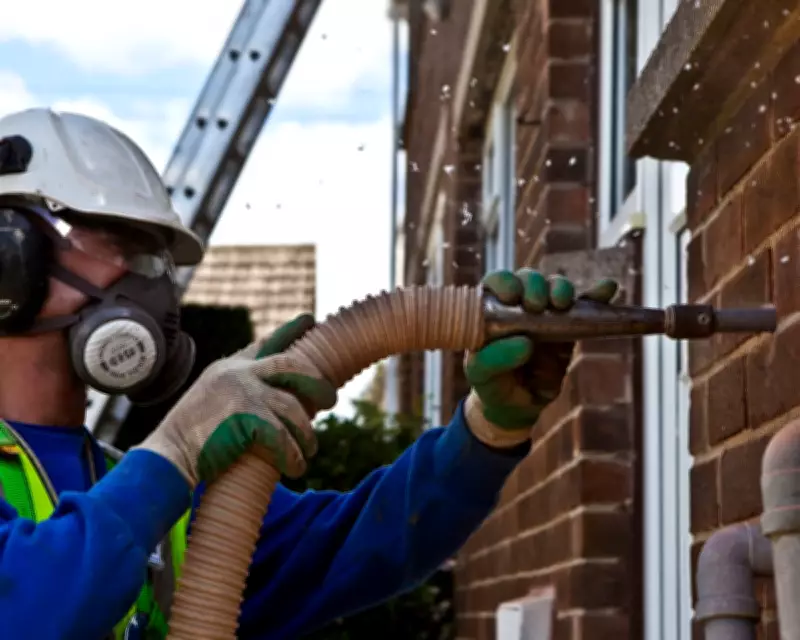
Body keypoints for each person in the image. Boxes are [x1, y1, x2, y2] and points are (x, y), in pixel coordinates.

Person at [0, 108, 619, 640]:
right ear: (11, 260)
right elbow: (29, 611)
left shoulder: (149, 499)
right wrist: (175, 447)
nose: (148, 287)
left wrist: (488, 430)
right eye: (117, 247)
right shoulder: (152, 484)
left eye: (152, 260)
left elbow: (367, 542)